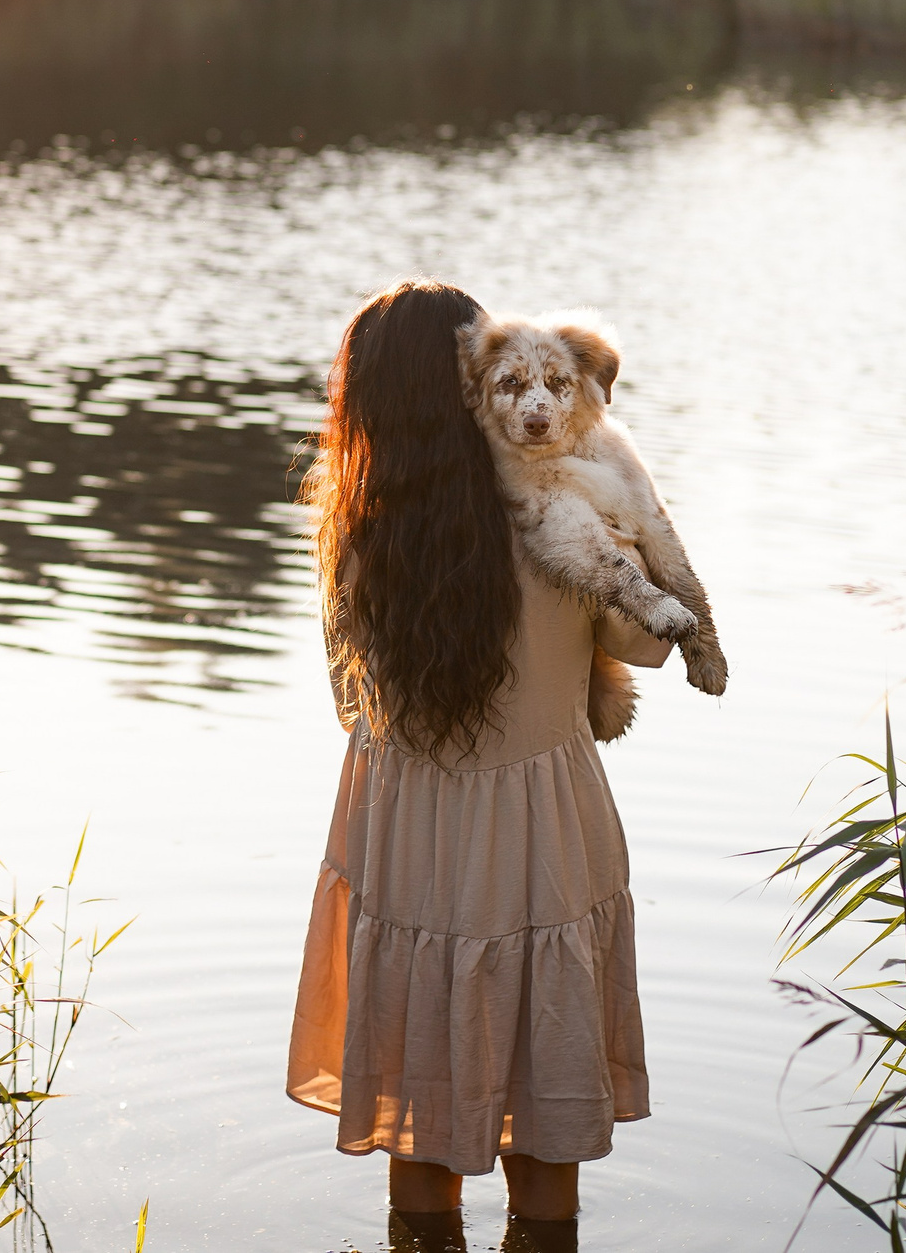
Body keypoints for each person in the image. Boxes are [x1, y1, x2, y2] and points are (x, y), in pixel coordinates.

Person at [286, 279, 668, 1252]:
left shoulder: (358, 532)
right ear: (474, 386)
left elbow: (348, 705)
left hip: (412, 835)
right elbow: (658, 641)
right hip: (543, 828)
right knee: (544, 1147)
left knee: (419, 1131)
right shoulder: (562, 516)